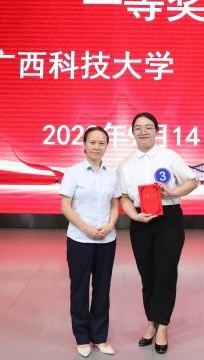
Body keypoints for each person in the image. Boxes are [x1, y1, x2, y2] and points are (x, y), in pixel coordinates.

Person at [117, 112, 199, 355]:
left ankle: (162, 326)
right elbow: (124, 197)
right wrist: (133, 216)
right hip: (140, 221)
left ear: (156, 131)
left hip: (169, 219)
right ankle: (151, 322)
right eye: (138, 127)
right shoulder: (125, 164)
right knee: (147, 274)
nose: (143, 131)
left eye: (148, 127)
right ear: (132, 132)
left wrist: (173, 192)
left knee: (165, 273)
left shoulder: (168, 156)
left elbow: (192, 181)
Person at [60, 126, 120, 357]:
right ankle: (82, 337)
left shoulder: (112, 174)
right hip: (79, 240)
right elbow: (66, 206)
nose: (97, 147)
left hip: (106, 240)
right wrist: (86, 229)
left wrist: (110, 225)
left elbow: (115, 204)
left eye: (101, 143)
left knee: (102, 289)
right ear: (84, 145)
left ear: (107, 146)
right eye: (92, 142)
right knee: (79, 288)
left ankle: (100, 337)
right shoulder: (73, 173)